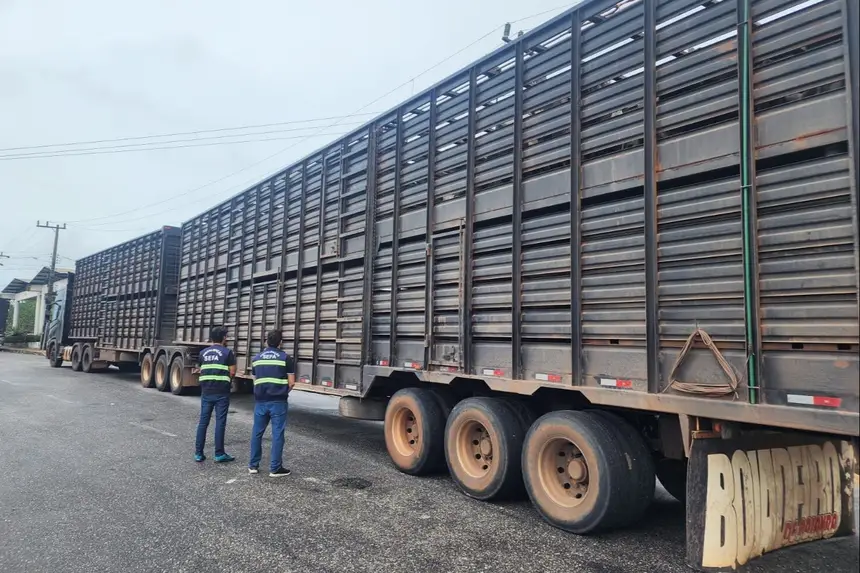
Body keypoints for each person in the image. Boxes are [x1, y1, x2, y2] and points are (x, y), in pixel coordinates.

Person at [248, 329, 295, 477]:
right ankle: (275, 468)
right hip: (278, 401)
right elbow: (292, 383)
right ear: (280, 342)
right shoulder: (285, 358)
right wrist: (282, 393)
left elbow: (255, 379)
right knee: (277, 434)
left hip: (260, 400)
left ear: (266, 341)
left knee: (257, 432)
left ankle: (253, 466)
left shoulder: (257, 358)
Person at [194, 326, 236, 463]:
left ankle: (198, 453)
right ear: (224, 338)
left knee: (203, 422)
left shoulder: (203, 353)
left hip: (206, 391)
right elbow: (233, 372)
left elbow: (201, 369)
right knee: (220, 422)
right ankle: (219, 454)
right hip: (222, 392)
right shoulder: (227, 353)